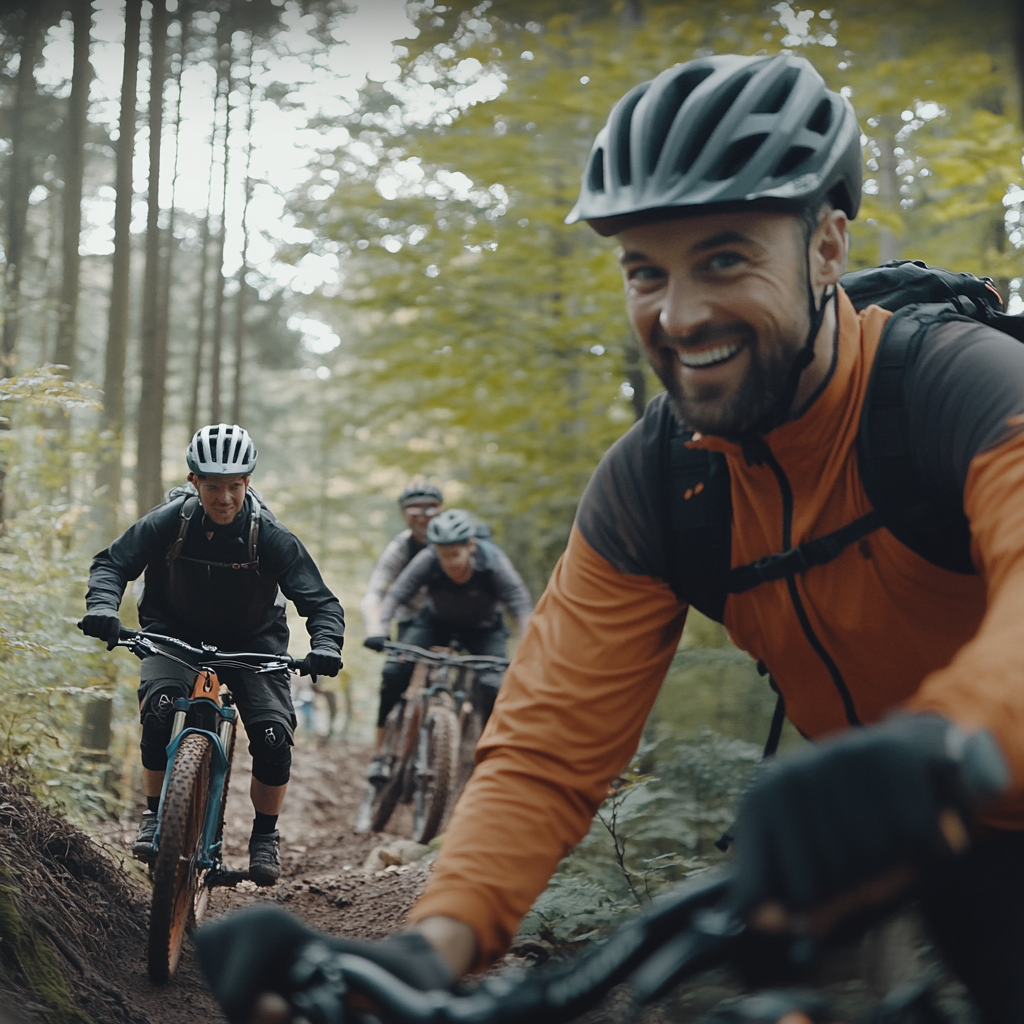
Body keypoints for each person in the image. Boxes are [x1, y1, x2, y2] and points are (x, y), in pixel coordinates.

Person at [200, 53, 1024, 1024]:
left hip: (932, 782)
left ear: (827, 248)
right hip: (930, 846)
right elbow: (549, 746)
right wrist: (430, 949)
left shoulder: (951, 385)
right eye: (646, 271)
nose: (678, 315)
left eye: (723, 258)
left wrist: (941, 742)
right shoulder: (657, 482)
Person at [79, 423, 344, 886]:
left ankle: (264, 835)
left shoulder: (271, 536)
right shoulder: (170, 522)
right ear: (194, 482)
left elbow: (321, 603)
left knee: (272, 734)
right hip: (173, 632)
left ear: (248, 483)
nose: (224, 498)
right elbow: (112, 563)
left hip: (253, 640)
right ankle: (155, 812)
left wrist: (325, 645)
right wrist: (102, 607)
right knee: (160, 705)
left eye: (235, 486)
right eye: (214, 486)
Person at [364, 508, 532, 734]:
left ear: (470, 546)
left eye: (455, 554)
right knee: (395, 673)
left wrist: (526, 643)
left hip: (484, 629)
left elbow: (519, 605)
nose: (449, 562)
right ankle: (381, 747)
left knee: (493, 687)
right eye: (443, 555)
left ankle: (491, 748)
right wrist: (380, 629)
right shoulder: (428, 558)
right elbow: (396, 596)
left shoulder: (494, 562)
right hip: (435, 624)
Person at [360, 482, 444, 778]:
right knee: (394, 677)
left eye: (430, 507)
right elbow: (376, 592)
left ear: (441, 509)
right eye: (414, 509)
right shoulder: (400, 547)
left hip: (457, 622)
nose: (423, 515)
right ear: (403, 514)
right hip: (412, 622)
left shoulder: (457, 540)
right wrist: (376, 629)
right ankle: (381, 753)